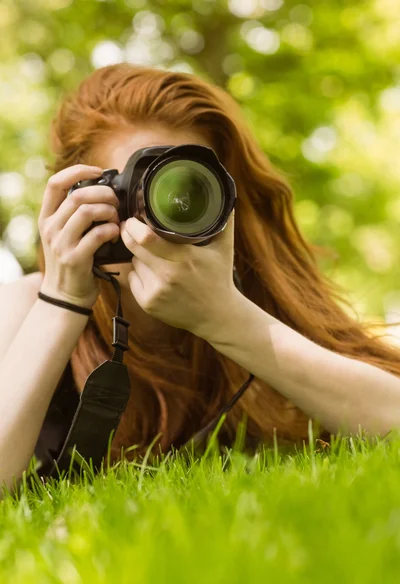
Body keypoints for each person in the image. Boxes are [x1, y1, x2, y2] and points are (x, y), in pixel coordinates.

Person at [1, 63, 400, 497]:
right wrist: (63, 300)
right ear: (79, 198)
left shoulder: (259, 288)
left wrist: (225, 317)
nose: (166, 206)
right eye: (135, 184)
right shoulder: (27, 306)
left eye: (189, 185)